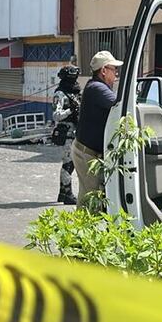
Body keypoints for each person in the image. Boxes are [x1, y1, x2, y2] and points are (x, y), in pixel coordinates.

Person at [71, 51, 123, 208]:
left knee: (90, 196)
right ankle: (82, 231)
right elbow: (121, 106)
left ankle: (82, 229)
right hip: (87, 153)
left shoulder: (96, 86)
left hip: (89, 151)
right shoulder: (97, 88)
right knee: (91, 199)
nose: (116, 73)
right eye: (114, 69)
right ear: (104, 70)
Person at [51, 65, 82, 205]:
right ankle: (68, 194)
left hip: (75, 132)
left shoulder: (75, 93)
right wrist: (70, 111)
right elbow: (56, 116)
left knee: (68, 163)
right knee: (68, 164)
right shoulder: (60, 94)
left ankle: (62, 193)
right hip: (66, 133)